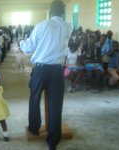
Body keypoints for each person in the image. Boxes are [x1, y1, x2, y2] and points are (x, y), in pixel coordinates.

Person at [19, 1, 72, 150]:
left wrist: (22, 42)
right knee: (55, 105)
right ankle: (53, 142)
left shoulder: (42, 26)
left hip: (41, 70)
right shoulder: (68, 26)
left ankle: (35, 128)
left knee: (34, 99)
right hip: (57, 71)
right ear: (63, 11)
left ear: (50, 11)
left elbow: (28, 48)